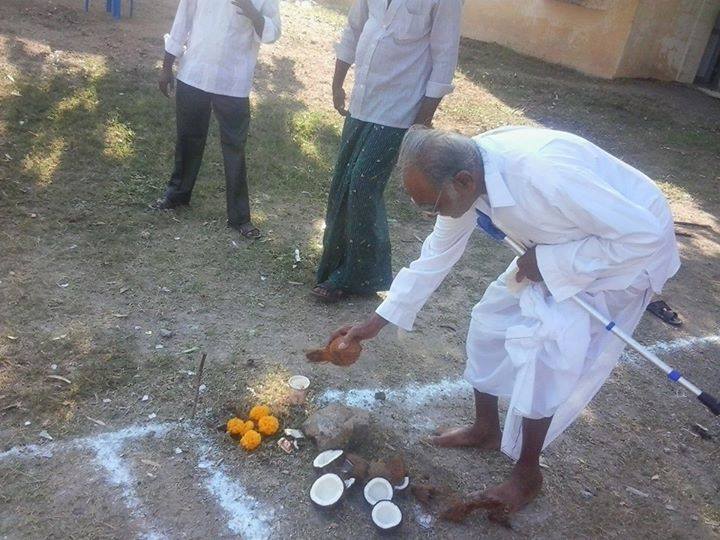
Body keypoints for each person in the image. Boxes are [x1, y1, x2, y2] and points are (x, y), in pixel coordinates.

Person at [328, 125, 680, 519]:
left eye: (432, 206)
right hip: (562, 244)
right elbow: (436, 255)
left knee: (547, 345)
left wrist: (551, 263)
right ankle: (485, 429)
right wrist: (374, 324)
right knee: (489, 320)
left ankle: (528, 475)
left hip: (624, 255)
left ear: (464, 181)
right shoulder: (467, 176)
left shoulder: (542, 175)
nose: (429, 214)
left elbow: (642, 235)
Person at [312, 0, 463, 302]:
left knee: (363, 184)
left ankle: (359, 276)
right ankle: (334, 265)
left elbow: (445, 57)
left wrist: (421, 121)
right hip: (362, 101)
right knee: (343, 182)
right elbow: (354, 27)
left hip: (400, 110)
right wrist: (338, 82)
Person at [151, 0, 281, 239]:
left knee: (234, 148)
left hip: (234, 80)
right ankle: (177, 195)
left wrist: (253, 13)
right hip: (195, 72)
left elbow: (273, 32)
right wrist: (166, 66)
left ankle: (240, 217)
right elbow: (183, 18)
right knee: (188, 138)